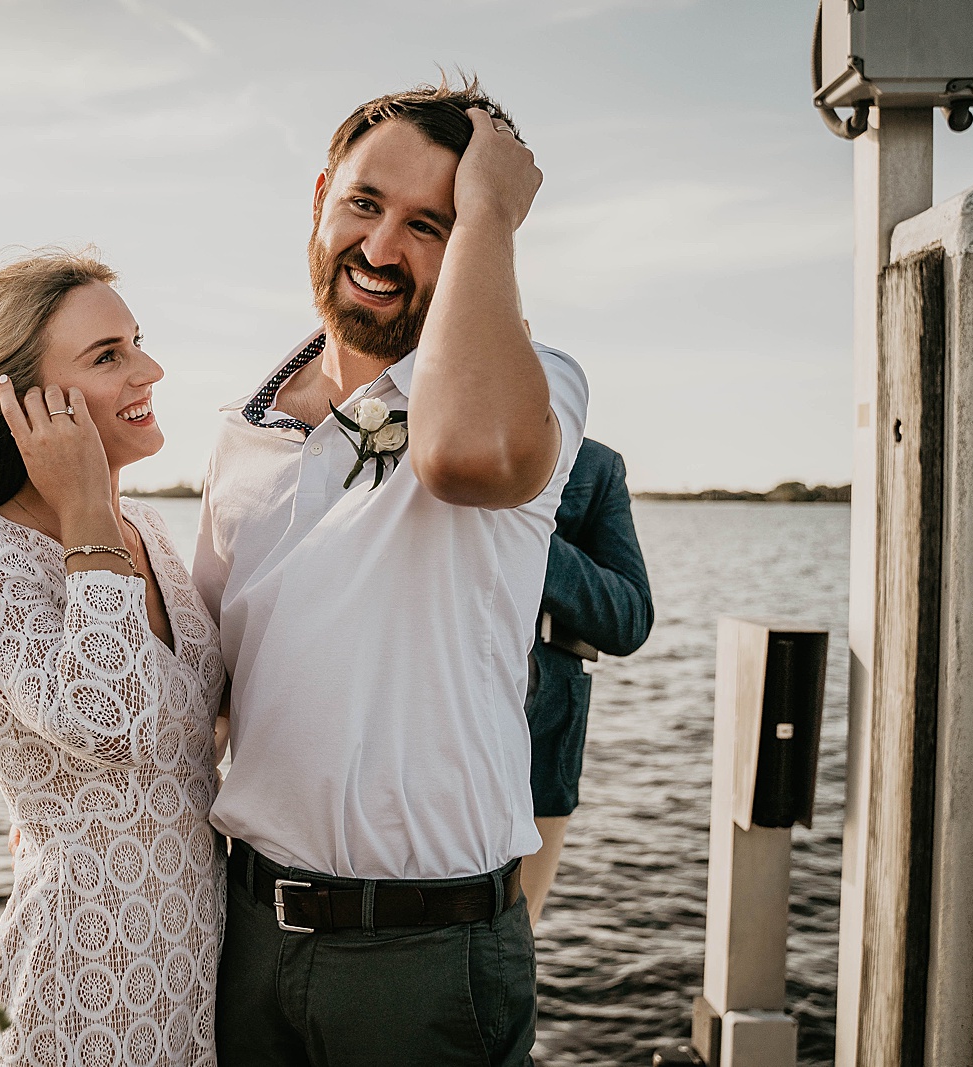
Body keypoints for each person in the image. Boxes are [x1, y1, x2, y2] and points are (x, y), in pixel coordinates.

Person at [195, 76, 587, 1066]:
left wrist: (490, 208)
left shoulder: (537, 389)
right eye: (364, 203)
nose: (379, 248)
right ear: (320, 196)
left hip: (426, 959)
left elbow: (465, 457)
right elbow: (207, 691)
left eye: (428, 224)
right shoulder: (242, 430)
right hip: (244, 935)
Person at [0, 251, 226, 1067]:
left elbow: (197, 718)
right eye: (107, 356)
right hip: (87, 975)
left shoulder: (151, 532)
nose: (149, 370)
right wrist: (86, 506)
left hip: (201, 962)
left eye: (137, 342)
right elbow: (110, 723)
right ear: (22, 404)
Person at [518, 437, 654, 926]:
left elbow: (630, 619)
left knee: (518, 936)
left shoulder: (594, 465)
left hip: (541, 747)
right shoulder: (405, 436)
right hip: (409, 740)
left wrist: (526, 532)